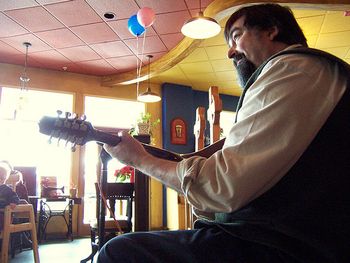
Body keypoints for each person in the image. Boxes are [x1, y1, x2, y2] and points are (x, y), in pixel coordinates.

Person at [98, 4, 350, 263]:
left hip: (288, 246)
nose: (230, 52)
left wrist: (139, 159)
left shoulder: (291, 68)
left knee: (118, 252)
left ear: (272, 31)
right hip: (296, 238)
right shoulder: (317, 74)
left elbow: (222, 186)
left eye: (237, 35)